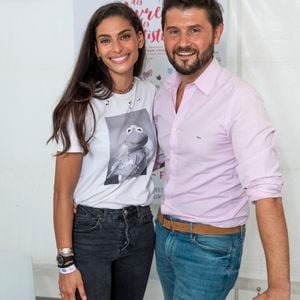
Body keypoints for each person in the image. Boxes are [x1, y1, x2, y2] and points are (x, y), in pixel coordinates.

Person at [153, 0, 290, 299]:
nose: (183, 42)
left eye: (195, 30)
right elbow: (159, 159)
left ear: (217, 33)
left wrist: (280, 287)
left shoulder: (240, 100)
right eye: (173, 31)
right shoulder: (163, 94)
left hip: (208, 247)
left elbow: (266, 192)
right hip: (163, 235)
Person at [48, 3, 157, 300]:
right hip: (93, 230)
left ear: (140, 39)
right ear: (96, 49)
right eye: (106, 40)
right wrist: (66, 263)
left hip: (141, 228)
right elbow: (62, 193)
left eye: (124, 36)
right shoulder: (81, 106)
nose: (116, 48)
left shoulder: (153, 94)